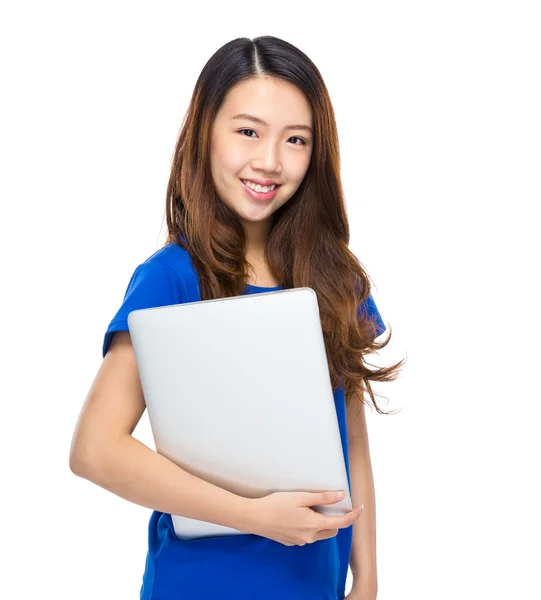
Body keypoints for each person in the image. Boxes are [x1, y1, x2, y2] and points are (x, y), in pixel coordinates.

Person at [69, 35, 404, 600]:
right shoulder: (172, 277)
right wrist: (255, 515)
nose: (269, 161)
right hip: (200, 585)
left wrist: (367, 578)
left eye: (295, 140)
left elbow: (353, 446)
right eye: (248, 131)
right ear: (206, 134)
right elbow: (95, 449)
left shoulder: (336, 279)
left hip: (314, 586)